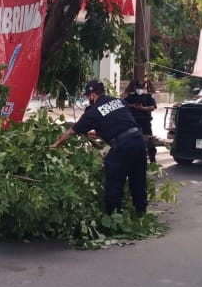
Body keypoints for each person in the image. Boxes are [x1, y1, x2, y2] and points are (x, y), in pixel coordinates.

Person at [50, 80, 148, 215]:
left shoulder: (93, 111)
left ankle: (114, 217)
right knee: (138, 179)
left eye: (87, 96)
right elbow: (119, 123)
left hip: (122, 147)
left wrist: (56, 145)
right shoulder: (119, 101)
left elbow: (72, 131)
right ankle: (141, 213)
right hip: (138, 141)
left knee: (114, 182)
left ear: (92, 95)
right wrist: (101, 135)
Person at [123, 77, 158, 163]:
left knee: (150, 143)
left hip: (145, 122)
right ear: (135, 87)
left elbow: (152, 107)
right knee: (131, 141)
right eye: (138, 87)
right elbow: (123, 104)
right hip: (133, 122)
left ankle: (153, 160)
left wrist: (142, 108)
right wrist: (132, 106)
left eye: (141, 87)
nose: (140, 89)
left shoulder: (148, 96)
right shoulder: (130, 97)